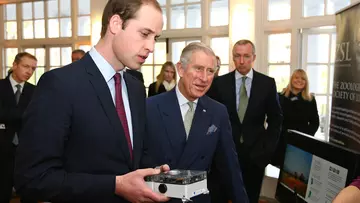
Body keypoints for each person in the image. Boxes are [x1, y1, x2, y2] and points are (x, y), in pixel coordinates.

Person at [14, 1, 169, 203]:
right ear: (115, 24)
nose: (151, 47)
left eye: (155, 38)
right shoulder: (60, 85)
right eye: (144, 34)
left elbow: (130, 157)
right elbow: (33, 178)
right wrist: (115, 185)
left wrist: (152, 172)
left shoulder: (136, 88)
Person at [142, 42, 249, 203]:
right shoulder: (149, 107)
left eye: (210, 71)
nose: (204, 78)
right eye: (198, 68)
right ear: (181, 69)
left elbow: (230, 168)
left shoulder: (217, 112)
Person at [207, 39, 283, 203]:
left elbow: (276, 120)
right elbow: (209, 118)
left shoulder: (267, 84)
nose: (241, 61)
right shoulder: (219, 83)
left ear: (253, 57)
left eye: (246, 56)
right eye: (237, 56)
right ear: (233, 58)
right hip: (224, 155)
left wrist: (266, 151)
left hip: (255, 157)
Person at [0, 52, 37, 203]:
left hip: (26, 151)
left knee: (29, 193)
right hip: (2, 150)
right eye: (26, 66)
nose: (29, 71)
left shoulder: (34, 91)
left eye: (33, 69)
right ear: (14, 65)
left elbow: (36, 118)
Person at [272, 69, 319, 167]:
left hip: (301, 143)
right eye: (296, 77)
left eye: (303, 79)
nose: (299, 80)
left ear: (306, 82)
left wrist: (305, 137)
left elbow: (315, 123)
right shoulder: (280, 96)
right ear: (291, 79)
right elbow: (273, 119)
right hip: (281, 142)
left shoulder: (310, 99)